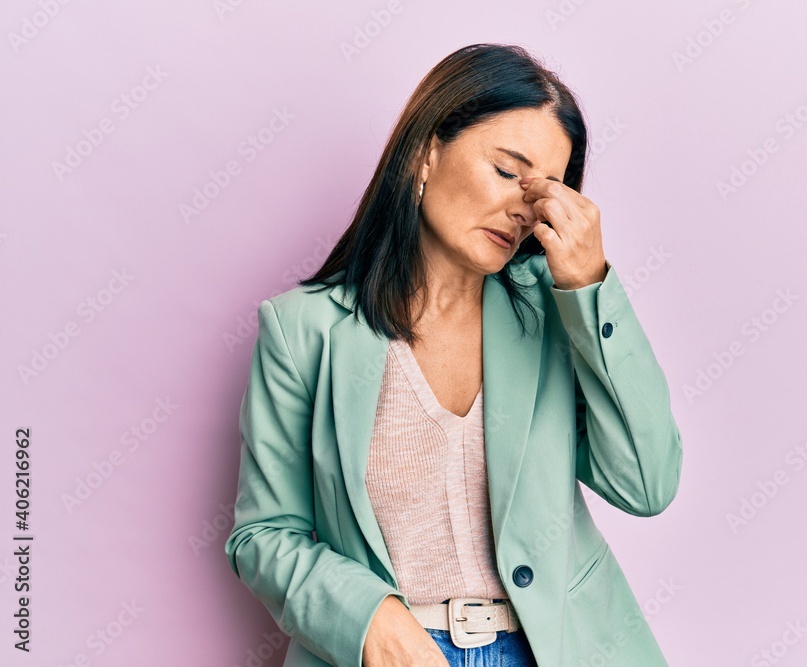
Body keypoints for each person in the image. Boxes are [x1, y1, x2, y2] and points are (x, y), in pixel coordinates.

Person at [224, 42, 684, 667]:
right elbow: (263, 535)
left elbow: (646, 483)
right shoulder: (304, 330)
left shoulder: (556, 312)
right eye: (506, 171)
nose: (522, 207)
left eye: (544, 190)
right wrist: (368, 618)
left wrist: (590, 287)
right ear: (426, 151)